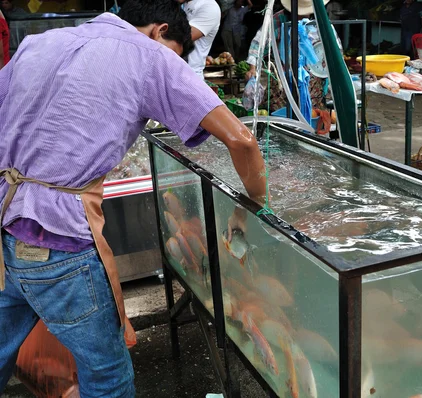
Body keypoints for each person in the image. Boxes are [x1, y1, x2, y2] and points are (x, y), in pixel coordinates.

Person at [0, 0, 266, 395]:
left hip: (5, 230)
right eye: (175, 52)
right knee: (109, 379)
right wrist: (254, 209)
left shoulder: (40, 42)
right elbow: (242, 140)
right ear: (160, 31)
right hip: (60, 244)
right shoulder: (150, 56)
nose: (172, 62)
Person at [244, 0, 336, 115]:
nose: (303, 15)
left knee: (311, 115)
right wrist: (253, 68)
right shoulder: (277, 20)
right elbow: (258, 44)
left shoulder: (320, 20)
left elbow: (335, 48)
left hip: (314, 81)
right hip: (283, 81)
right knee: (284, 117)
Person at [176, 0, 221, 80]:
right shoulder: (182, 5)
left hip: (189, 75)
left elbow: (180, 38)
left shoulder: (209, 7)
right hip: (171, 72)